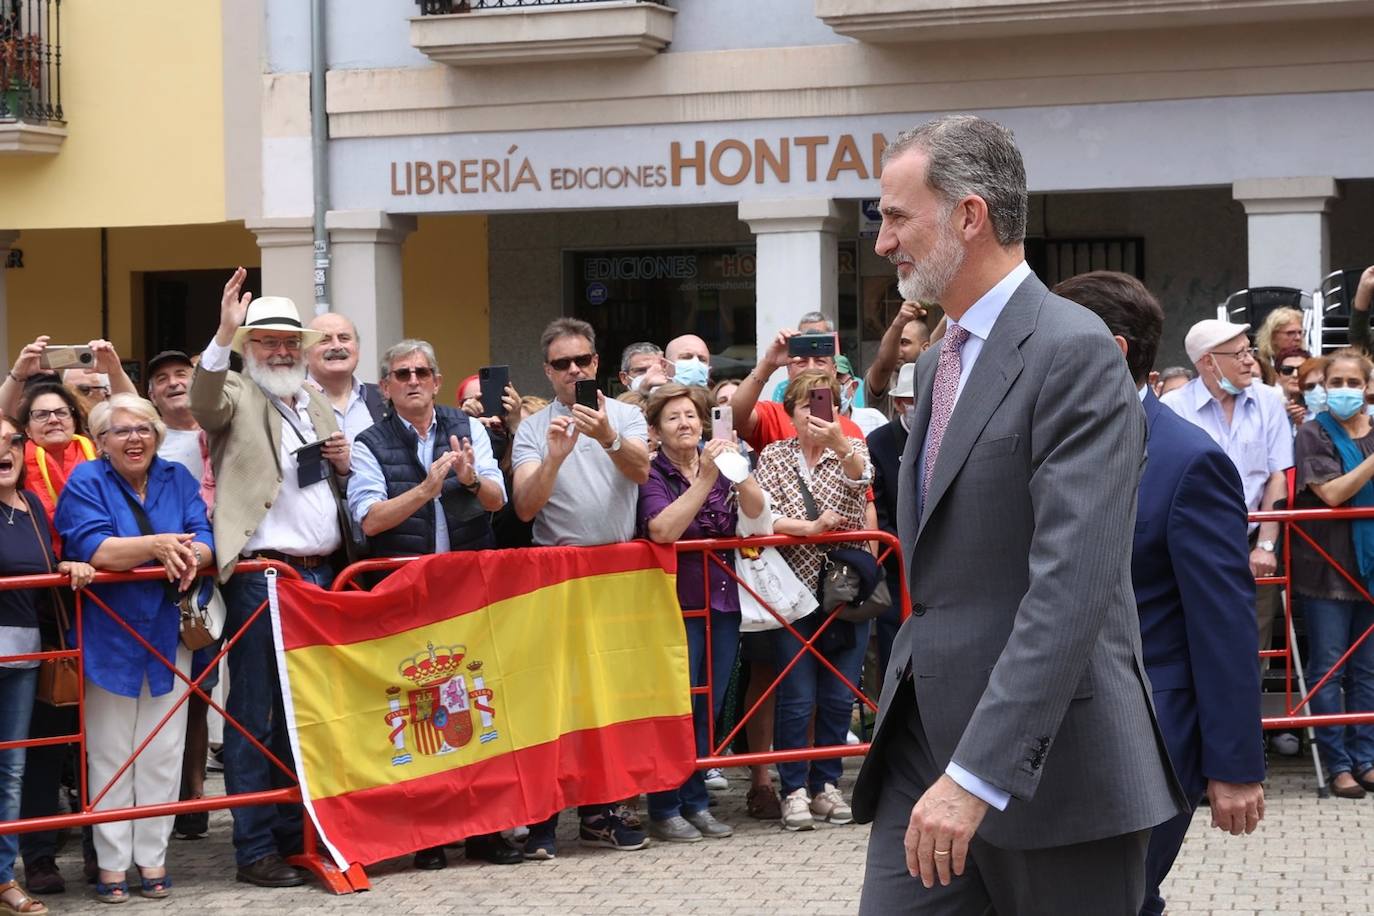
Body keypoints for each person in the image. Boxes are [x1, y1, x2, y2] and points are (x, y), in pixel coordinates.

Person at [852, 115, 1184, 915]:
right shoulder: (938, 364)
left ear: (969, 216)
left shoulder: (1074, 351)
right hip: (923, 747)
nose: (883, 242)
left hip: (1055, 770)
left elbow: (1072, 585)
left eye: (898, 217)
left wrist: (978, 774)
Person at [1055, 271, 1266, 916]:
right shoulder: (1048, 445)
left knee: (1120, 898)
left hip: (1151, 735)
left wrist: (1234, 767)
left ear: (1109, 350)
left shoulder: (1186, 461)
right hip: (1051, 732)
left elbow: (1223, 624)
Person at [189, 267, 351, 889]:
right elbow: (203, 406)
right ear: (250, 346)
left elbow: (320, 482)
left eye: (289, 342)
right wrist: (224, 335)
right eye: (267, 341)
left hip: (319, 575)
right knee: (254, 715)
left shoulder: (311, 398)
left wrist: (339, 461)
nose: (280, 351)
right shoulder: (236, 389)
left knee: (301, 715)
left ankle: (295, 835)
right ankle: (254, 847)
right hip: (263, 574)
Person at [349, 339, 512, 870]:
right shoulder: (368, 440)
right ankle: (429, 834)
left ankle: (484, 829)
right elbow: (370, 520)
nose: (413, 380)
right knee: (420, 711)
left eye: (422, 371)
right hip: (407, 589)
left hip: (466, 586)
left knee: (478, 706)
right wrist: (426, 489)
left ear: (437, 380)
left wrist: (467, 478)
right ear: (386, 387)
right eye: (402, 374)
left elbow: (497, 499)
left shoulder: (466, 428)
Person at [54, 395, 216, 903]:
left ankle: (153, 858)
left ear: (157, 435)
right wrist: (158, 545)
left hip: (170, 628)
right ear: (101, 442)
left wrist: (195, 554)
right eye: (121, 431)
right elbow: (93, 547)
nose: (135, 439)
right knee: (109, 751)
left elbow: (205, 533)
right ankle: (111, 865)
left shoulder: (178, 478)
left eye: (144, 429)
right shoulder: (86, 480)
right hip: (110, 632)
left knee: (164, 751)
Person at [511, 317, 651, 859]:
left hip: (616, 577)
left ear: (597, 363)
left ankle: (600, 814)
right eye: (562, 364)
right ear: (547, 372)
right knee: (554, 701)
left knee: (607, 702)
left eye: (583, 361)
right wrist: (554, 457)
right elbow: (525, 506)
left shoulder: (628, 414)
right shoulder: (533, 427)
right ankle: (543, 817)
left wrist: (607, 436)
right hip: (556, 576)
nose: (575, 371)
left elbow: (641, 472)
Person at [636, 383, 764, 843]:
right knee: (677, 707)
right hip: (676, 605)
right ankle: (665, 805)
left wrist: (739, 470)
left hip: (723, 602)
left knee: (707, 707)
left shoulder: (720, 462)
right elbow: (662, 528)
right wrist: (708, 478)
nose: (685, 424)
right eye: (673, 418)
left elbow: (756, 511)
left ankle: (696, 802)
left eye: (691, 415)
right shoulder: (652, 474)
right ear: (655, 430)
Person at [753, 370, 874, 832]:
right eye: (805, 406)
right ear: (790, 412)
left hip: (845, 587)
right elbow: (760, 511)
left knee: (839, 694)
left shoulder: (852, 447)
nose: (814, 415)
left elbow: (862, 483)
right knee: (796, 695)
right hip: (791, 590)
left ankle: (827, 786)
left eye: (822, 405)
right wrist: (806, 528)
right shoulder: (774, 455)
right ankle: (794, 790)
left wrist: (841, 445)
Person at [0, 415, 94, 916]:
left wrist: (64, 565)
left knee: (13, 767)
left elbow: (35, 562)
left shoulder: (32, 504)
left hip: (24, 651)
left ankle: (3, 880)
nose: (5, 450)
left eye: (11, 440)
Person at [1161, 320, 1293, 665]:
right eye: (1239, 354)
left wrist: (1266, 544)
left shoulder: (1269, 401)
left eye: (1249, 350)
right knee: (1202, 640)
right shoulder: (1174, 407)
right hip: (1196, 541)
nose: (1251, 360)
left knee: (1254, 644)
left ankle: (1253, 716)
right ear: (1208, 362)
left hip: (1254, 541)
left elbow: (1277, 475)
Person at [1290, 348, 1374, 799]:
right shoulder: (1312, 433)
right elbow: (1334, 494)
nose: (1344, 390)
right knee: (1329, 668)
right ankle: (1338, 764)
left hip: (1371, 569)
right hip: (1327, 569)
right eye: (1335, 383)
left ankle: (1367, 758)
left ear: (1368, 386)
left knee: (1369, 671)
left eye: (1352, 382)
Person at [145, 349, 220, 843]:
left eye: (181, 374)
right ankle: (154, 801)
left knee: (200, 690)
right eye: (161, 379)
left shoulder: (218, 428)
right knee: (157, 693)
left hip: (211, 573)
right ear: (148, 394)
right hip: (148, 580)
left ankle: (192, 796)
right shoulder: (143, 438)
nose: (173, 383)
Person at [730, 328, 867, 453]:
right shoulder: (772, 415)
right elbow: (733, 419)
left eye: (820, 362)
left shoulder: (851, 429)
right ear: (789, 371)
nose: (811, 368)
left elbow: (861, 478)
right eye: (801, 363)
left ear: (833, 371)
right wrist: (768, 363)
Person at [866, 362, 915, 677]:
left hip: (941, 565)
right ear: (899, 403)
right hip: (896, 568)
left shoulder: (947, 432)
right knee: (895, 652)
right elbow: (878, 510)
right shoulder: (880, 441)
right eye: (914, 399)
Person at [1, 337, 135, 419]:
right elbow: (4, 418)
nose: (74, 399)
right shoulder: (49, 423)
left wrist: (116, 372)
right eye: (68, 392)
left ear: (107, 393)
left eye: (84, 390)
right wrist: (17, 374)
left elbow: (134, 413)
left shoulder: (107, 432)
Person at [305, 313, 386, 442]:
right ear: (305, 352)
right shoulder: (293, 401)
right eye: (324, 340)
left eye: (344, 338)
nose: (337, 346)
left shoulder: (384, 398)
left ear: (357, 348)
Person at [865, 301, 931, 402]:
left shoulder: (932, 379)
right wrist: (899, 323)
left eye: (904, 343)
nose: (897, 349)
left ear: (925, 348)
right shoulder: (884, 380)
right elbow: (884, 366)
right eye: (895, 343)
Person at [1254, 306, 1305, 386]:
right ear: (1273, 336)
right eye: (1290, 333)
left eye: (1300, 332)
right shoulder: (1258, 366)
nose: (1298, 338)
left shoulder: (1308, 363)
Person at [1273, 347, 1311, 433]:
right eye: (1287, 370)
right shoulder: (1267, 408)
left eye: (1302, 370)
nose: (1295, 375)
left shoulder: (1320, 408)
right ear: (1277, 377)